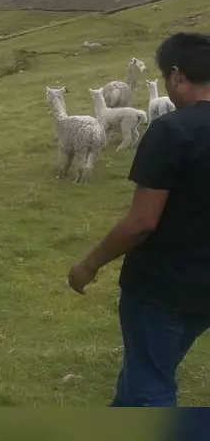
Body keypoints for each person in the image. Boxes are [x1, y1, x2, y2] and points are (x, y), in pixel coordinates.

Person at [68, 32, 210, 407]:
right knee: (143, 374)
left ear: (177, 75)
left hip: (162, 288)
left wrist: (89, 264)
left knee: (150, 389)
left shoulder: (173, 130)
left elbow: (143, 221)